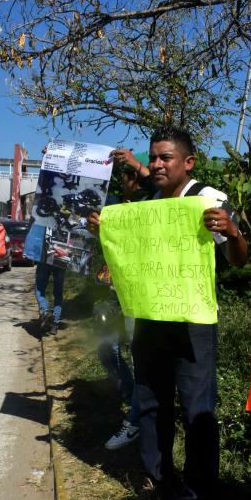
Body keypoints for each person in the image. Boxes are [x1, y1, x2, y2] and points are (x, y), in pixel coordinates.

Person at [90, 127, 247, 500]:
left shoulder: (207, 199)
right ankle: (159, 479)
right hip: (149, 323)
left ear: (188, 162)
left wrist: (231, 232)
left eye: (166, 158)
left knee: (198, 411)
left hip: (193, 326)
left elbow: (238, 259)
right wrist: (103, 232)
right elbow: (127, 259)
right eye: (154, 158)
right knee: (149, 403)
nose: (157, 165)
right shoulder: (147, 205)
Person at [96, 161, 149, 450]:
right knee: (106, 346)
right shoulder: (117, 202)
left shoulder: (152, 203)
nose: (124, 182)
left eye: (126, 176)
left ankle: (137, 419)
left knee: (142, 359)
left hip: (140, 295)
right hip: (115, 293)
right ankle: (131, 397)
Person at [35, 261, 65, 336]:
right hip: (61, 261)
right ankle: (55, 324)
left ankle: (45, 312)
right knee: (58, 292)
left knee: (39, 289)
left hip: (44, 259)